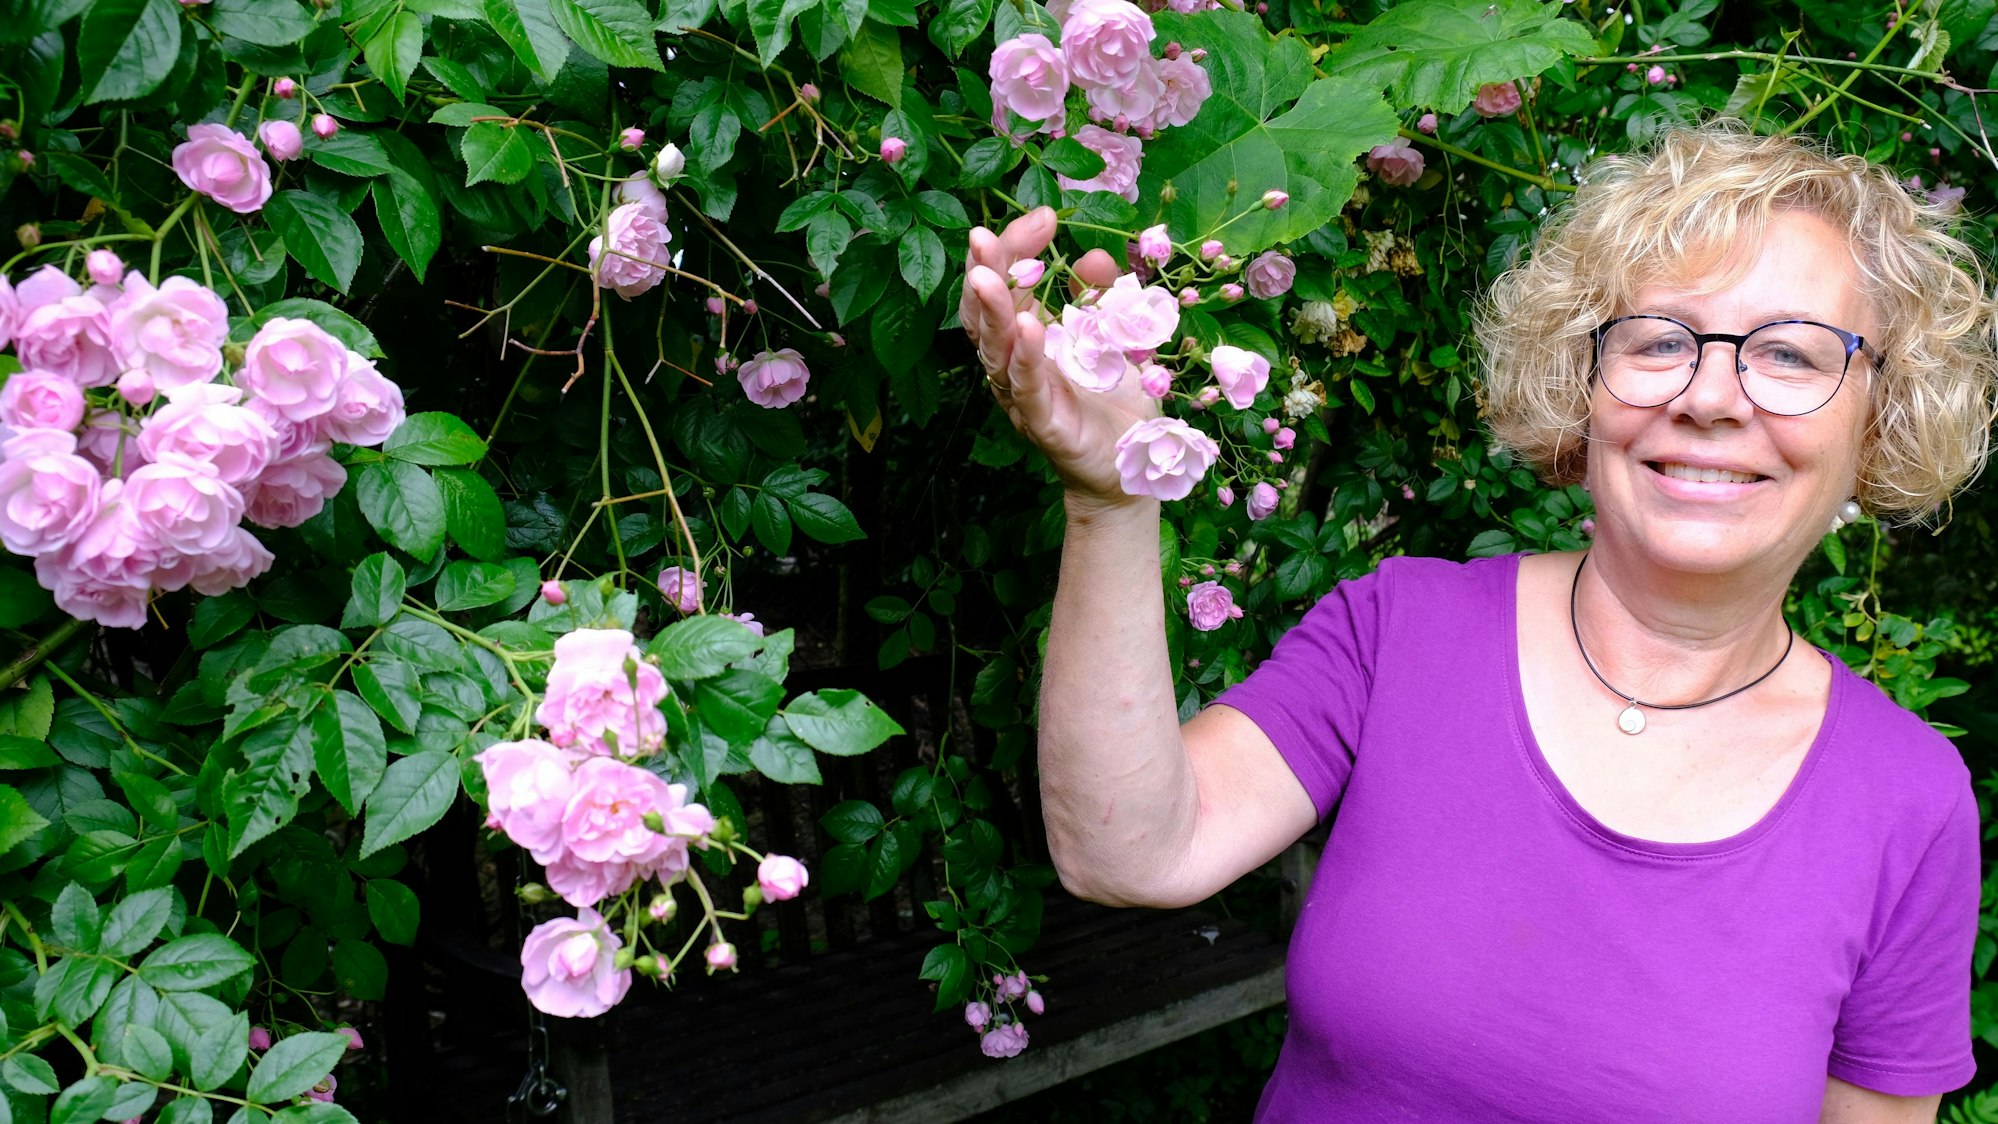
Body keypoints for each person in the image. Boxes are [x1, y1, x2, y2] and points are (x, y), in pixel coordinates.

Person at [957, 123, 1998, 1121]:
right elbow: (1130, 851)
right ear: (1582, 387)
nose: (1712, 396)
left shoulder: (1907, 800)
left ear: (1882, 414)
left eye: (1791, 354)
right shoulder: (1399, 631)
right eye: (1658, 339)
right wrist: (1112, 497)